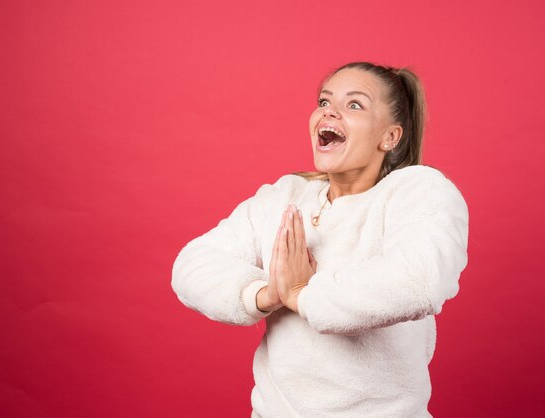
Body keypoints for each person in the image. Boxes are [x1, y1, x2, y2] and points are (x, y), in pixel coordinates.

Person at [171, 62, 469, 417]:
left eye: (354, 105)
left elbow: (419, 280)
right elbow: (192, 265)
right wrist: (267, 294)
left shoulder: (420, 192)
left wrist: (302, 295)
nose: (330, 112)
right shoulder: (285, 196)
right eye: (324, 102)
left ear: (390, 136)